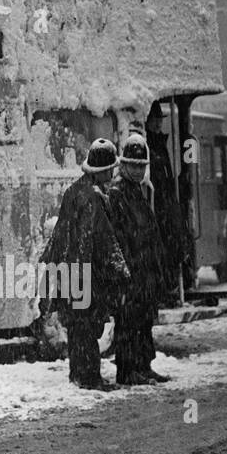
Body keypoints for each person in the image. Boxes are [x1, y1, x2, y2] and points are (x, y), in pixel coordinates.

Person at [40, 138, 131, 391]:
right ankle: (90, 377)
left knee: (78, 327)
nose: (113, 172)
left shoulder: (74, 190)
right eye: (111, 168)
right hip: (86, 274)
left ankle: (78, 374)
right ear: (103, 170)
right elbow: (103, 239)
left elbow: (60, 233)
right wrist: (120, 270)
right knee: (88, 327)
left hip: (70, 272)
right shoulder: (95, 196)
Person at [106, 131, 173, 385]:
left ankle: (143, 366)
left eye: (141, 166)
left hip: (143, 271)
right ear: (123, 164)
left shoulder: (136, 190)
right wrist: (127, 269)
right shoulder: (118, 193)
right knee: (129, 322)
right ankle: (128, 369)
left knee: (143, 321)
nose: (137, 170)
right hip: (131, 271)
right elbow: (120, 236)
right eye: (133, 165)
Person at [143, 106, 197, 300]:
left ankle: (171, 285)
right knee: (168, 244)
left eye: (160, 119)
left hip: (165, 203)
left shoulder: (159, 143)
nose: (158, 122)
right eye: (155, 119)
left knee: (173, 243)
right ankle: (168, 287)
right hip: (160, 205)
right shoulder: (151, 144)